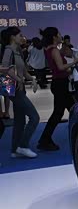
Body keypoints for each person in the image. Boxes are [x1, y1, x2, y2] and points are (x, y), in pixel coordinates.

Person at [0, 27, 40, 158]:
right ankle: (23, 146)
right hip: (13, 87)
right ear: (12, 37)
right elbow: (5, 69)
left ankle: (15, 149)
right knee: (34, 117)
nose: (22, 37)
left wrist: (32, 79)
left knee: (19, 120)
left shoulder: (17, 51)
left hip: (18, 87)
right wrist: (18, 79)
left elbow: (24, 71)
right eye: (19, 35)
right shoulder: (8, 50)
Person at [37, 26, 73, 152]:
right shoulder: (54, 50)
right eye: (58, 34)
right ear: (54, 37)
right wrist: (75, 62)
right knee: (59, 113)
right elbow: (61, 67)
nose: (60, 36)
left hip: (58, 83)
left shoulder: (49, 49)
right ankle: (44, 139)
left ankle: (45, 139)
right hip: (60, 84)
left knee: (71, 108)